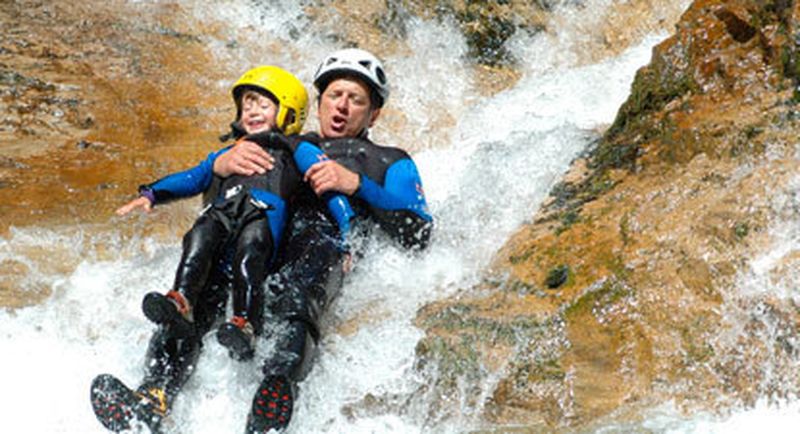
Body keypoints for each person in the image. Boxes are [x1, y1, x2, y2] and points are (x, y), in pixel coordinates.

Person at [214, 48, 433, 433]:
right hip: (264, 238)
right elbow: (222, 197)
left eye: (356, 100)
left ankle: (275, 396)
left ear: (374, 114)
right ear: (319, 102)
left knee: (301, 289)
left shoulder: (386, 160)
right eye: (335, 95)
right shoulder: (283, 143)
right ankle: (154, 396)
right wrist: (222, 165)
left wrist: (357, 185)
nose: (343, 107)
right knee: (205, 281)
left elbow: (419, 233)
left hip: (325, 245)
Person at [90, 65, 319, 432]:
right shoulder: (224, 156)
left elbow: (323, 187)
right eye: (247, 104)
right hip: (215, 262)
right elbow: (192, 178)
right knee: (178, 325)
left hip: (260, 267)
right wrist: (152, 193)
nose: (252, 111)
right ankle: (151, 400)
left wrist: (347, 227)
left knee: (264, 312)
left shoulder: (298, 151)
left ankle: (260, 416)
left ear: (288, 111)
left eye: (263, 104)